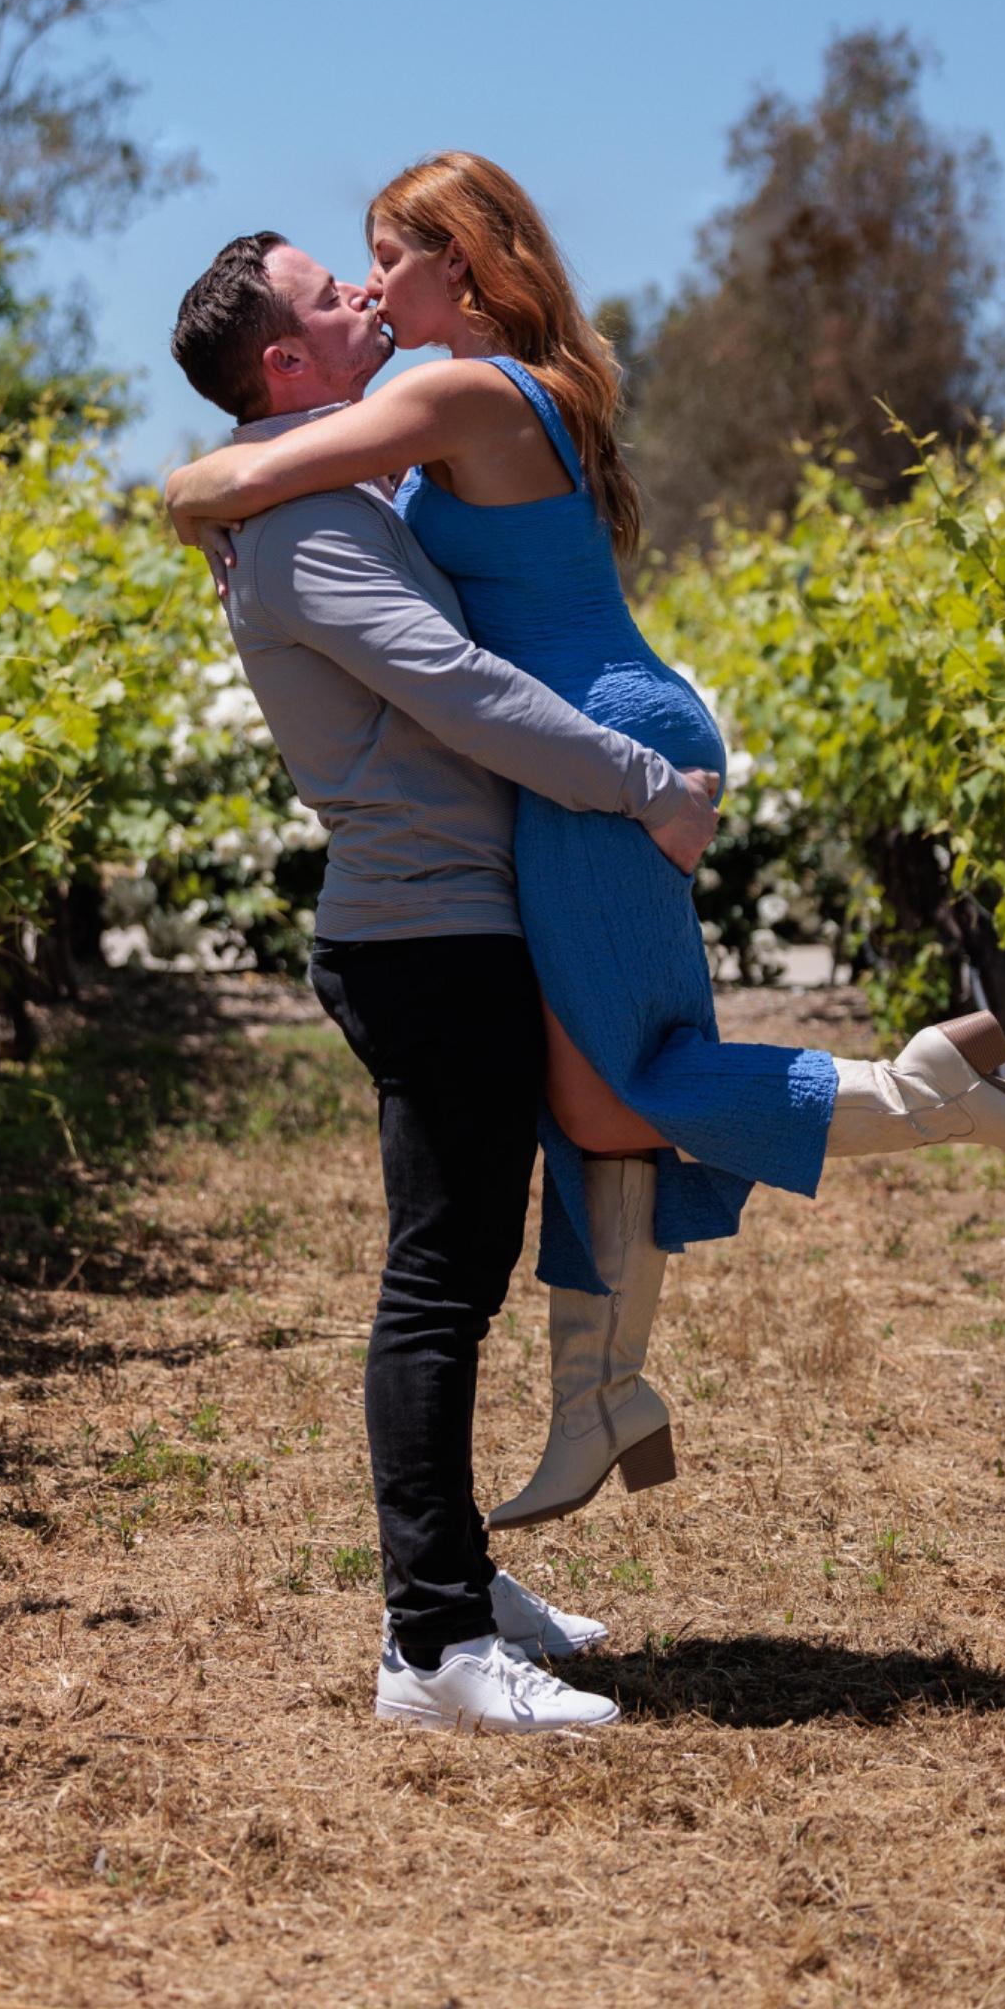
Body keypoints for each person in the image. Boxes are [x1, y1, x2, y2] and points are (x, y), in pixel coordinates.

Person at [166, 158, 1005, 1537]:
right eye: (355, 269)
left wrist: (191, 497)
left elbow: (251, 467)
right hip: (577, 732)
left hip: (585, 744)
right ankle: (601, 1398)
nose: (372, 287)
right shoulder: (495, 386)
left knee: (607, 1097)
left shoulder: (449, 389)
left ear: (459, 266)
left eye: (387, 259)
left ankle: (919, 1095)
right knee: (592, 1096)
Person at [169, 230, 724, 1735]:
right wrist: (639, 785)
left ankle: (461, 1590)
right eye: (328, 293)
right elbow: (459, 690)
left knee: (457, 1274)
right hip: (422, 936)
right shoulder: (308, 530)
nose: (362, 297)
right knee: (437, 1288)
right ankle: (430, 1650)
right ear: (286, 364)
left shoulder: (314, 490)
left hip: (447, 921)